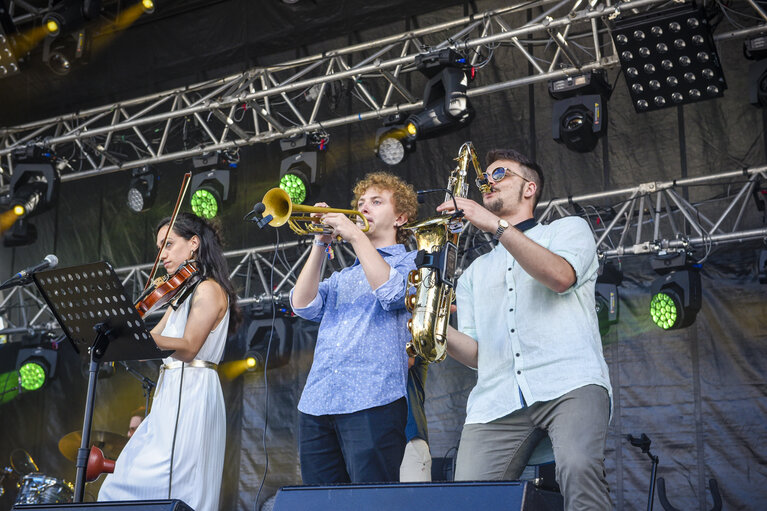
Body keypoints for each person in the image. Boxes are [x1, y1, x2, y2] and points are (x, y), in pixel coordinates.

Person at [436, 149, 612, 510]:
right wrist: (430, 322)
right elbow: (477, 356)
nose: (487, 181)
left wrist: (494, 225)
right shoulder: (472, 274)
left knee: (579, 470)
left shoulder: (568, 229)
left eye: (499, 173)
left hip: (570, 384)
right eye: (484, 176)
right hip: (495, 401)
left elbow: (561, 277)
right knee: (465, 500)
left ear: (529, 188)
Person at [99, 212, 240, 511]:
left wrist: (134, 330)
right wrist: (124, 330)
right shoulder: (179, 295)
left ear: (193, 244)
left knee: (184, 487)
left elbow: (188, 347)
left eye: (168, 244)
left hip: (194, 390)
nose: (162, 255)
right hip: (170, 393)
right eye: (160, 247)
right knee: (119, 484)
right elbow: (151, 340)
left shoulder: (208, 289)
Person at [290, 171, 418, 484]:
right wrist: (321, 242)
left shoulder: (412, 262)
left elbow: (391, 294)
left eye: (376, 202)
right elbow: (302, 304)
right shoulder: (343, 276)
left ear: (400, 217)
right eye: (360, 203)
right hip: (319, 401)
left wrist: (355, 236)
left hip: (374, 400)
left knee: (371, 501)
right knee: (320, 505)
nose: (364, 208)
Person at [399, 355, 431, 482]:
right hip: (368, 440)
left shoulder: (414, 341)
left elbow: (403, 361)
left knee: (414, 501)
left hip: (409, 440)